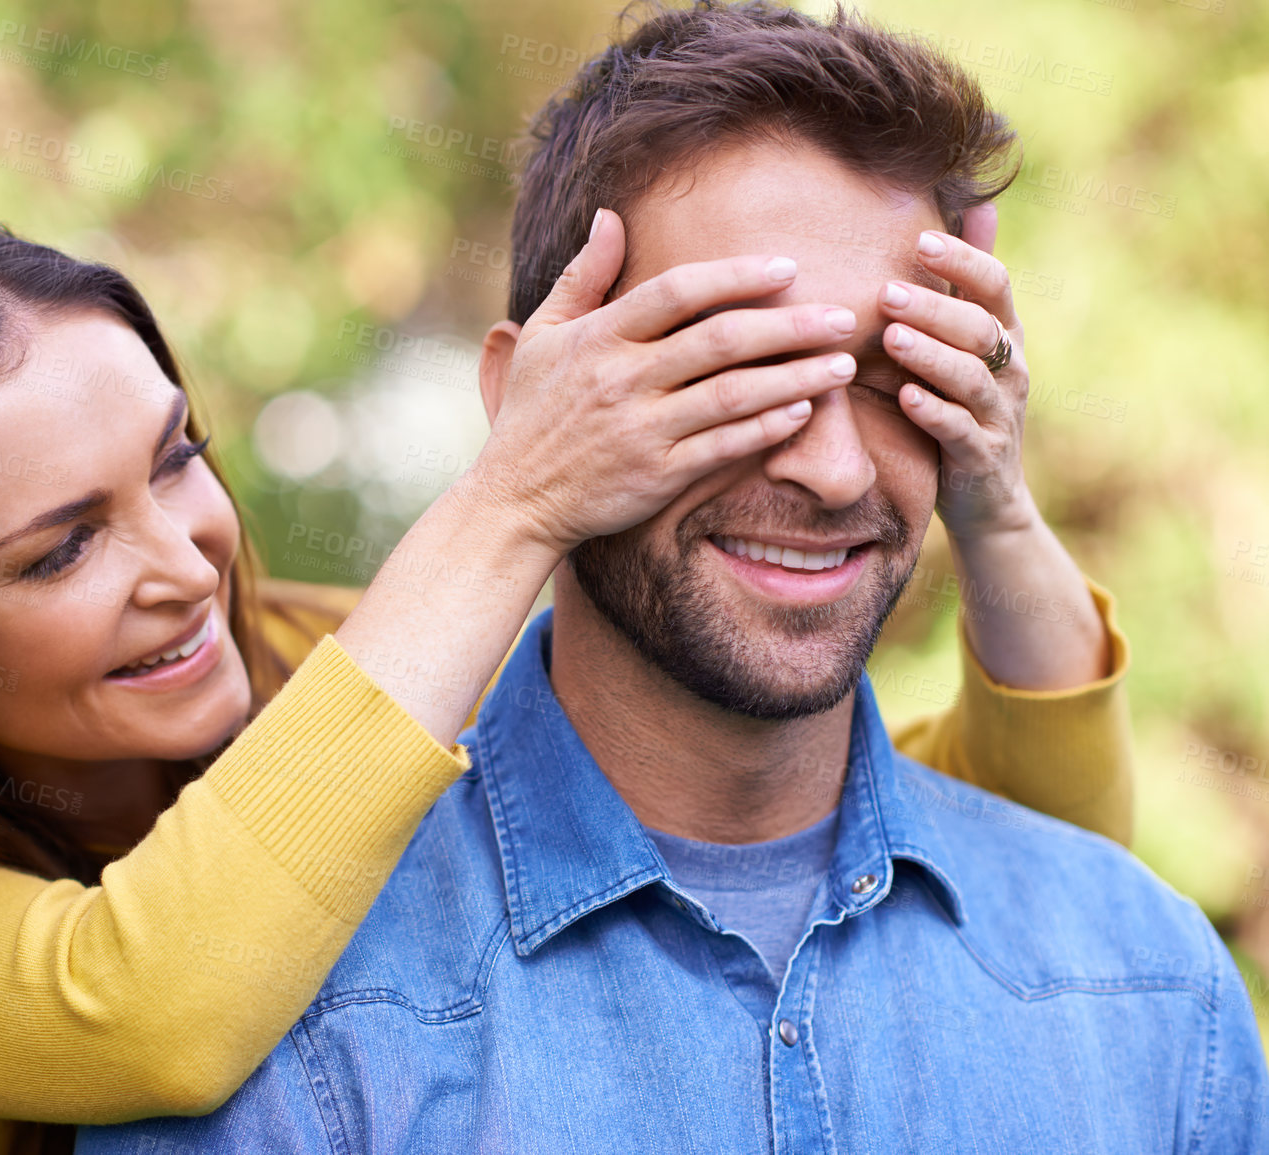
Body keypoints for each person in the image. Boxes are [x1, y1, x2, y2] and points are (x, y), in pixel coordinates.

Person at [0, 101, 1136, 1155]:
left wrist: (983, 487)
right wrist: (515, 493)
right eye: (61, 546)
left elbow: (996, 847)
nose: (181, 562)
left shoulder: (334, 667)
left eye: (176, 457)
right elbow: (151, 1008)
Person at [79, 4, 1268, 1153]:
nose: (834, 465)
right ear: (523, 396)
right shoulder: (296, 1032)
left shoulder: (1154, 992)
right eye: (734, 370)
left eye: (883, 372)